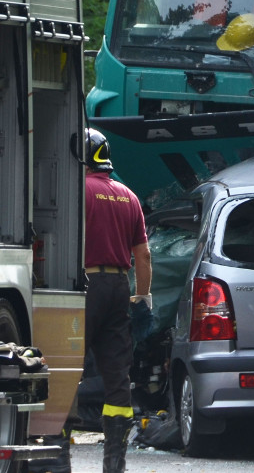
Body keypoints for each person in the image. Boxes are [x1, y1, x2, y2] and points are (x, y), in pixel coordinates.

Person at [82, 128, 152, 473]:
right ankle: (114, 464)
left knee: (67, 367)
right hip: (119, 287)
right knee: (117, 376)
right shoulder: (129, 196)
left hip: (85, 285)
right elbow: (144, 255)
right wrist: (142, 298)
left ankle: (58, 455)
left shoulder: (78, 190)